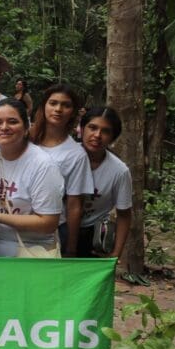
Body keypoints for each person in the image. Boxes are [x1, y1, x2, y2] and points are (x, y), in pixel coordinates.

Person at [0, 99, 63, 257]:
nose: (4, 127)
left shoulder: (43, 166)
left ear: (26, 127)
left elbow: (48, 223)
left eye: (12, 122)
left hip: (34, 254)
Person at [29, 83, 93, 256]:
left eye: (66, 105)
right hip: (12, 225)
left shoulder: (76, 155)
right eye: (53, 103)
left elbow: (74, 205)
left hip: (53, 231)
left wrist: (71, 247)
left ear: (73, 112)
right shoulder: (25, 139)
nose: (58, 109)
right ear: (44, 106)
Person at [78, 106, 133, 262]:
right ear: (82, 129)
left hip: (93, 238)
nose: (97, 135)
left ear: (113, 137)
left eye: (106, 131)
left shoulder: (119, 171)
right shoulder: (64, 158)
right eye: (92, 127)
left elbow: (124, 214)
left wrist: (116, 254)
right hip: (59, 231)